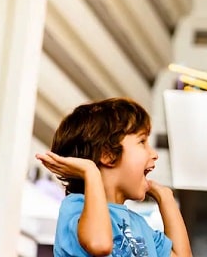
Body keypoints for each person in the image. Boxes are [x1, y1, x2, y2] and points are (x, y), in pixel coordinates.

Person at [36, 97, 192, 257]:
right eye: (142, 142)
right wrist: (91, 172)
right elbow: (99, 245)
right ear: (108, 154)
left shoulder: (139, 225)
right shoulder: (76, 207)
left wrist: (165, 198)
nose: (154, 154)